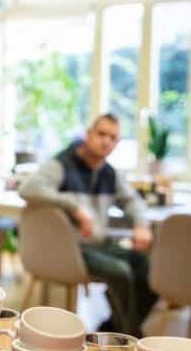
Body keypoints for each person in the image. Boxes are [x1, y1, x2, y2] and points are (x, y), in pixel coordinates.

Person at [20, 114, 158, 337]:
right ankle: (131, 338)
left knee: (149, 269)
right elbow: (28, 189)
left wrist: (141, 225)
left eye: (113, 138)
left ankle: (114, 329)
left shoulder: (110, 173)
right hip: (71, 249)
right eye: (101, 134)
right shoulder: (61, 165)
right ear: (88, 135)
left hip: (98, 244)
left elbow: (132, 201)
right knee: (120, 272)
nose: (106, 141)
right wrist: (74, 207)